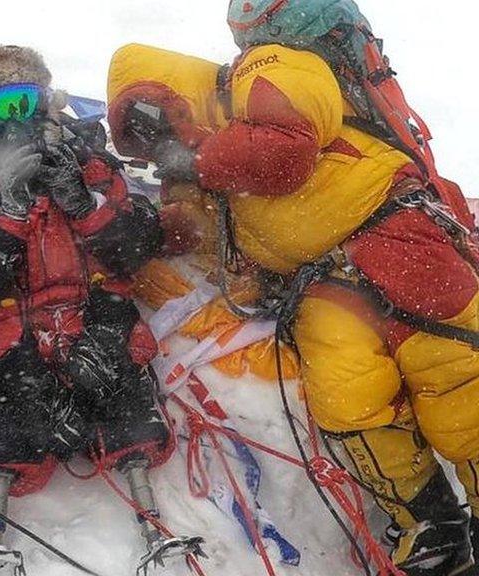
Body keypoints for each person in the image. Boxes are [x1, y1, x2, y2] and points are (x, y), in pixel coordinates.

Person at [107, 3, 479, 571]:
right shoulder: (208, 159)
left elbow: (283, 154)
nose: (150, 138)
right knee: (349, 405)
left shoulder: (272, 65)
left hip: (394, 233)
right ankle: (429, 526)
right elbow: (195, 237)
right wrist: (117, 226)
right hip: (323, 282)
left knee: (457, 381)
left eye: (149, 118)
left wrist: (195, 155)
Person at [0, 45, 197, 573]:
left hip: (96, 313)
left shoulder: (89, 161)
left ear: (47, 101)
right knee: (5, 440)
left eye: (25, 102)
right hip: (10, 331)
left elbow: (139, 245)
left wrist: (83, 206)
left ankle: (155, 526)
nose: (16, 120)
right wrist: (8, 217)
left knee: (129, 419)